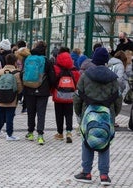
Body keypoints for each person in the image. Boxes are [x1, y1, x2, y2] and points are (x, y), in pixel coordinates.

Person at [73, 47, 122, 186]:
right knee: (105, 144)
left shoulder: (85, 76)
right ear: (106, 60)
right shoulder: (113, 78)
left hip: (88, 114)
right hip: (107, 115)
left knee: (87, 143)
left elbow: (78, 97)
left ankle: (86, 173)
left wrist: (79, 113)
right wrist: (113, 115)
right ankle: (104, 176)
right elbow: (118, 99)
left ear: (94, 59)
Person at [23, 41, 56, 145]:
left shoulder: (27, 58)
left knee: (31, 112)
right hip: (43, 90)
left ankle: (30, 132)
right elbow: (52, 77)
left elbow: (23, 73)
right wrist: (51, 87)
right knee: (41, 113)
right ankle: (40, 135)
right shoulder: (46, 60)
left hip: (29, 88)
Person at [0, 53, 23, 141]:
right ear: (15, 62)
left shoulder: (1, 71)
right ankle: (9, 134)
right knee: (10, 116)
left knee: (0, 114)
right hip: (12, 98)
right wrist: (16, 94)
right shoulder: (16, 73)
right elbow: (19, 86)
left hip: (0, 97)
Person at [51, 50, 80, 143]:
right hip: (70, 96)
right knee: (69, 114)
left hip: (58, 96)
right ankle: (68, 132)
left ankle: (60, 133)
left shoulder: (56, 68)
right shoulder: (74, 69)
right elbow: (77, 82)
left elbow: (52, 81)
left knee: (58, 114)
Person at [15, 40, 31, 114]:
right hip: (25, 72)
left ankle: (14, 106)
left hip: (17, 72)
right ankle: (25, 107)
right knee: (25, 90)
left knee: (16, 90)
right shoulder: (29, 53)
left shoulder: (16, 53)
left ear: (18, 46)